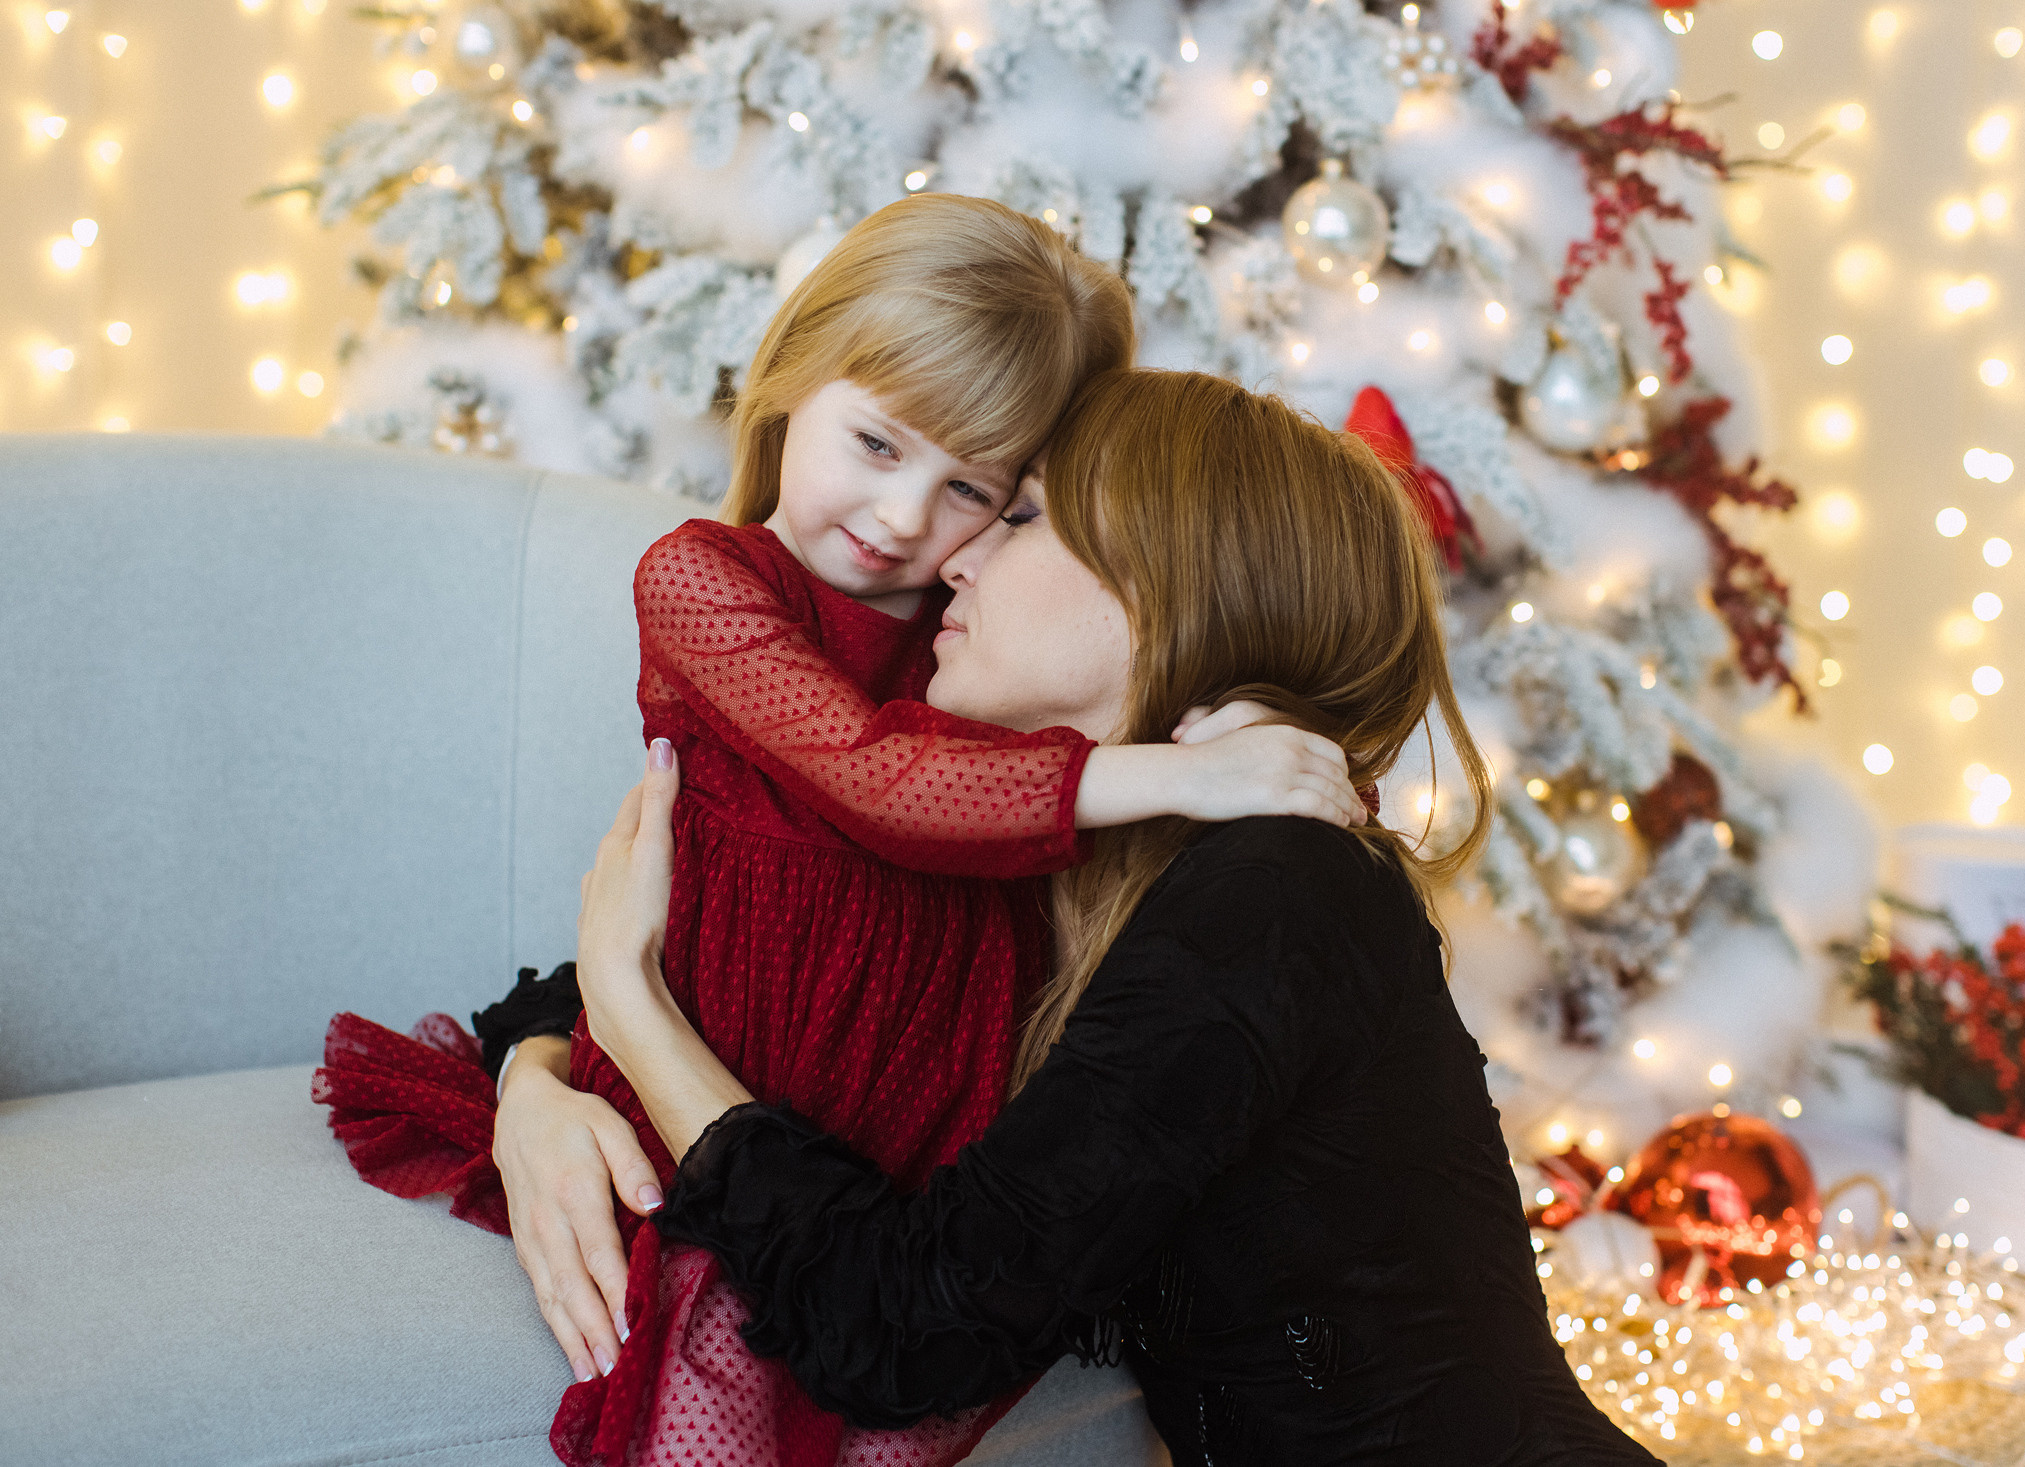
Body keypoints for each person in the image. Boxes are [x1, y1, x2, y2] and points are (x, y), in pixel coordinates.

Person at [312, 197, 1367, 1467]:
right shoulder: (704, 579)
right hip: (752, 1067)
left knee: (893, 1404)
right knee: (710, 1404)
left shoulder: (971, 633)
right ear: (791, 382)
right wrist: (1171, 778)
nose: (907, 521)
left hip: (925, 1111)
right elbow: (871, 776)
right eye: (875, 442)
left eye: (973, 489)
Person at [524, 368, 1667, 1464]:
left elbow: (907, 1334)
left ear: (1164, 587)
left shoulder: (1277, 891)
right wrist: (533, 1088)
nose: (952, 553)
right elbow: (733, 954)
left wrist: (636, 1016)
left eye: (1016, 515)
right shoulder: (1070, 859)